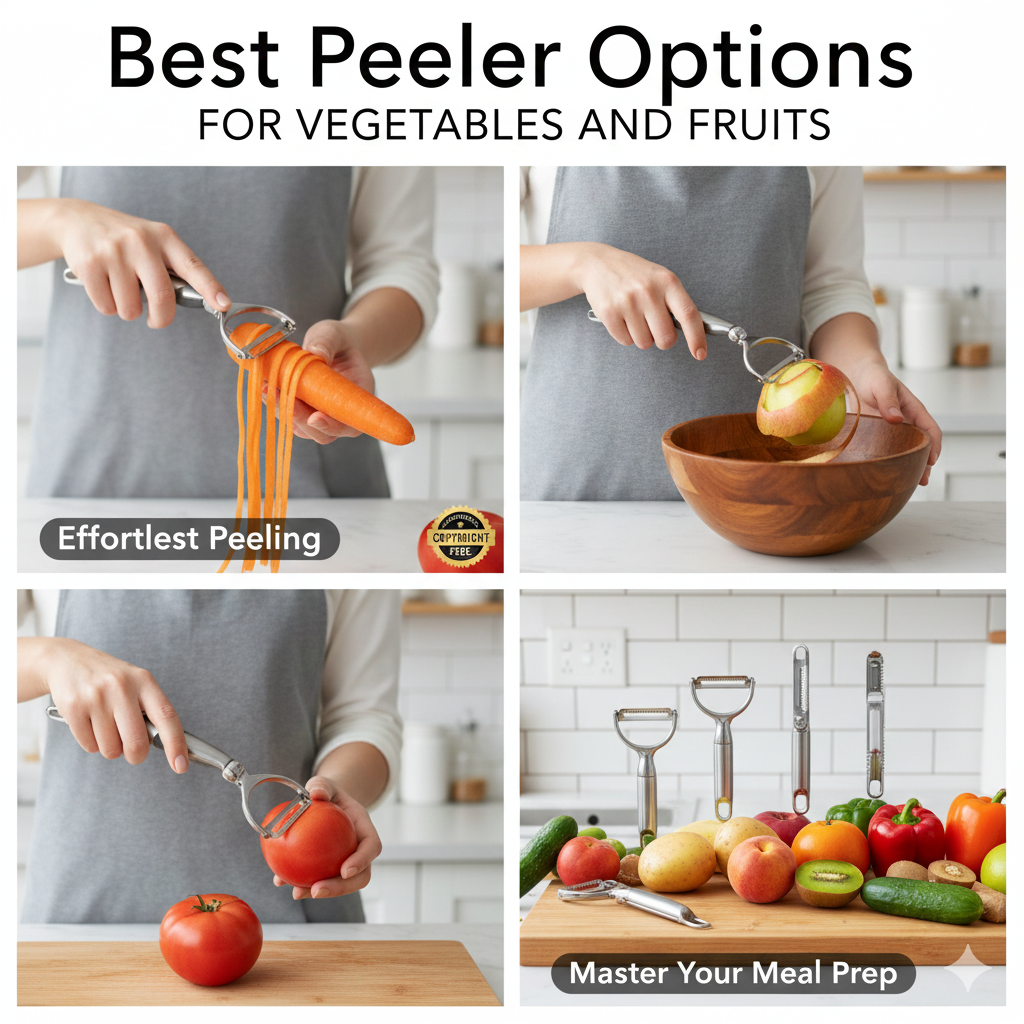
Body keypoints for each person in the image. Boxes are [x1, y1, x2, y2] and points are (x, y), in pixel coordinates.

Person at [520, 166, 942, 500]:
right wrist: (580, 263)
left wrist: (863, 365)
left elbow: (830, 286)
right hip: (572, 489)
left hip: (762, 495)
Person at [17, 167, 438, 498]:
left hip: (310, 480)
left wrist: (358, 337)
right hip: (92, 478)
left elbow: (401, 265)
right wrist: (59, 220)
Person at [17, 589, 401, 924]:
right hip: (76, 915)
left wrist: (333, 797)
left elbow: (365, 719)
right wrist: (46, 658)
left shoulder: (346, 534)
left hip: (295, 920)